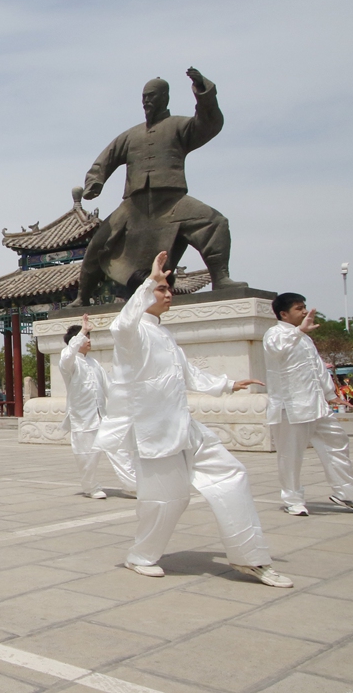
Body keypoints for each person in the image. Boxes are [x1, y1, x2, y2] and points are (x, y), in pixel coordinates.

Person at [111, 251, 291, 587]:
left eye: (168, 289)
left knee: (231, 474)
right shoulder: (132, 333)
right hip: (155, 431)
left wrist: (227, 384)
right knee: (169, 501)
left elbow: (188, 373)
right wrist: (150, 281)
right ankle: (141, 556)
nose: (168, 294)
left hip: (186, 426)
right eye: (162, 288)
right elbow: (121, 324)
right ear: (142, 294)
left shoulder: (163, 334)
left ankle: (250, 558)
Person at [72, 68, 244, 306]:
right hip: (133, 205)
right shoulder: (130, 136)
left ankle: (221, 278)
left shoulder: (178, 126)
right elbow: (104, 161)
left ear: (165, 98)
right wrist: (95, 182)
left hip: (171, 200)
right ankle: (82, 297)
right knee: (98, 245)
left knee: (215, 223)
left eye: (151, 96)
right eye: (144, 98)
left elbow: (208, 124)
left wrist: (203, 92)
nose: (147, 102)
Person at [265, 294, 353, 516]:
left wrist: (330, 394)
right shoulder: (274, 334)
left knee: (337, 442)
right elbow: (277, 349)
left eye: (304, 307)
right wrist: (299, 331)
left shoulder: (305, 339)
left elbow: (318, 369)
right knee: (290, 455)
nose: (305, 312)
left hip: (317, 405)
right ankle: (293, 499)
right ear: (284, 314)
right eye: (299, 308)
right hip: (291, 408)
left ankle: (346, 493)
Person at [59, 315, 136, 498]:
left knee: (120, 451)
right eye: (85, 338)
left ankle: (133, 486)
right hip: (83, 419)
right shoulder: (68, 362)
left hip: (103, 417)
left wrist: (128, 402)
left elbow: (109, 387)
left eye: (88, 337)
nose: (88, 341)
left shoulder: (94, 363)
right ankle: (91, 488)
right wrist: (83, 331)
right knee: (87, 457)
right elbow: (68, 354)